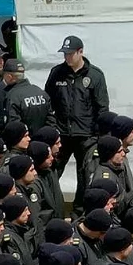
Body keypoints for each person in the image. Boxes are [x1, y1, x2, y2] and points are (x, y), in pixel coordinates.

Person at [46, 36, 109, 209]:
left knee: (85, 174)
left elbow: (102, 108)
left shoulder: (95, 75)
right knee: (52, 171)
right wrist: (53, 128)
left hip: (86, 136)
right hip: (62, 134)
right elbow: (48, 102)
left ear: (80, 52)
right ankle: (51, 206)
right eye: (65, 53)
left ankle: (80, 210)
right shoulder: (56, 73)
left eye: (70, 53)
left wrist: (98, 134)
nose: (67, 57)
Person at [3, 59, 54, 136]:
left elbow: (14, 127)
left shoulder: (12, 96)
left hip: (25, 143)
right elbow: (51, 120)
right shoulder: (40, 92)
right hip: (44, 142)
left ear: (9, 76)